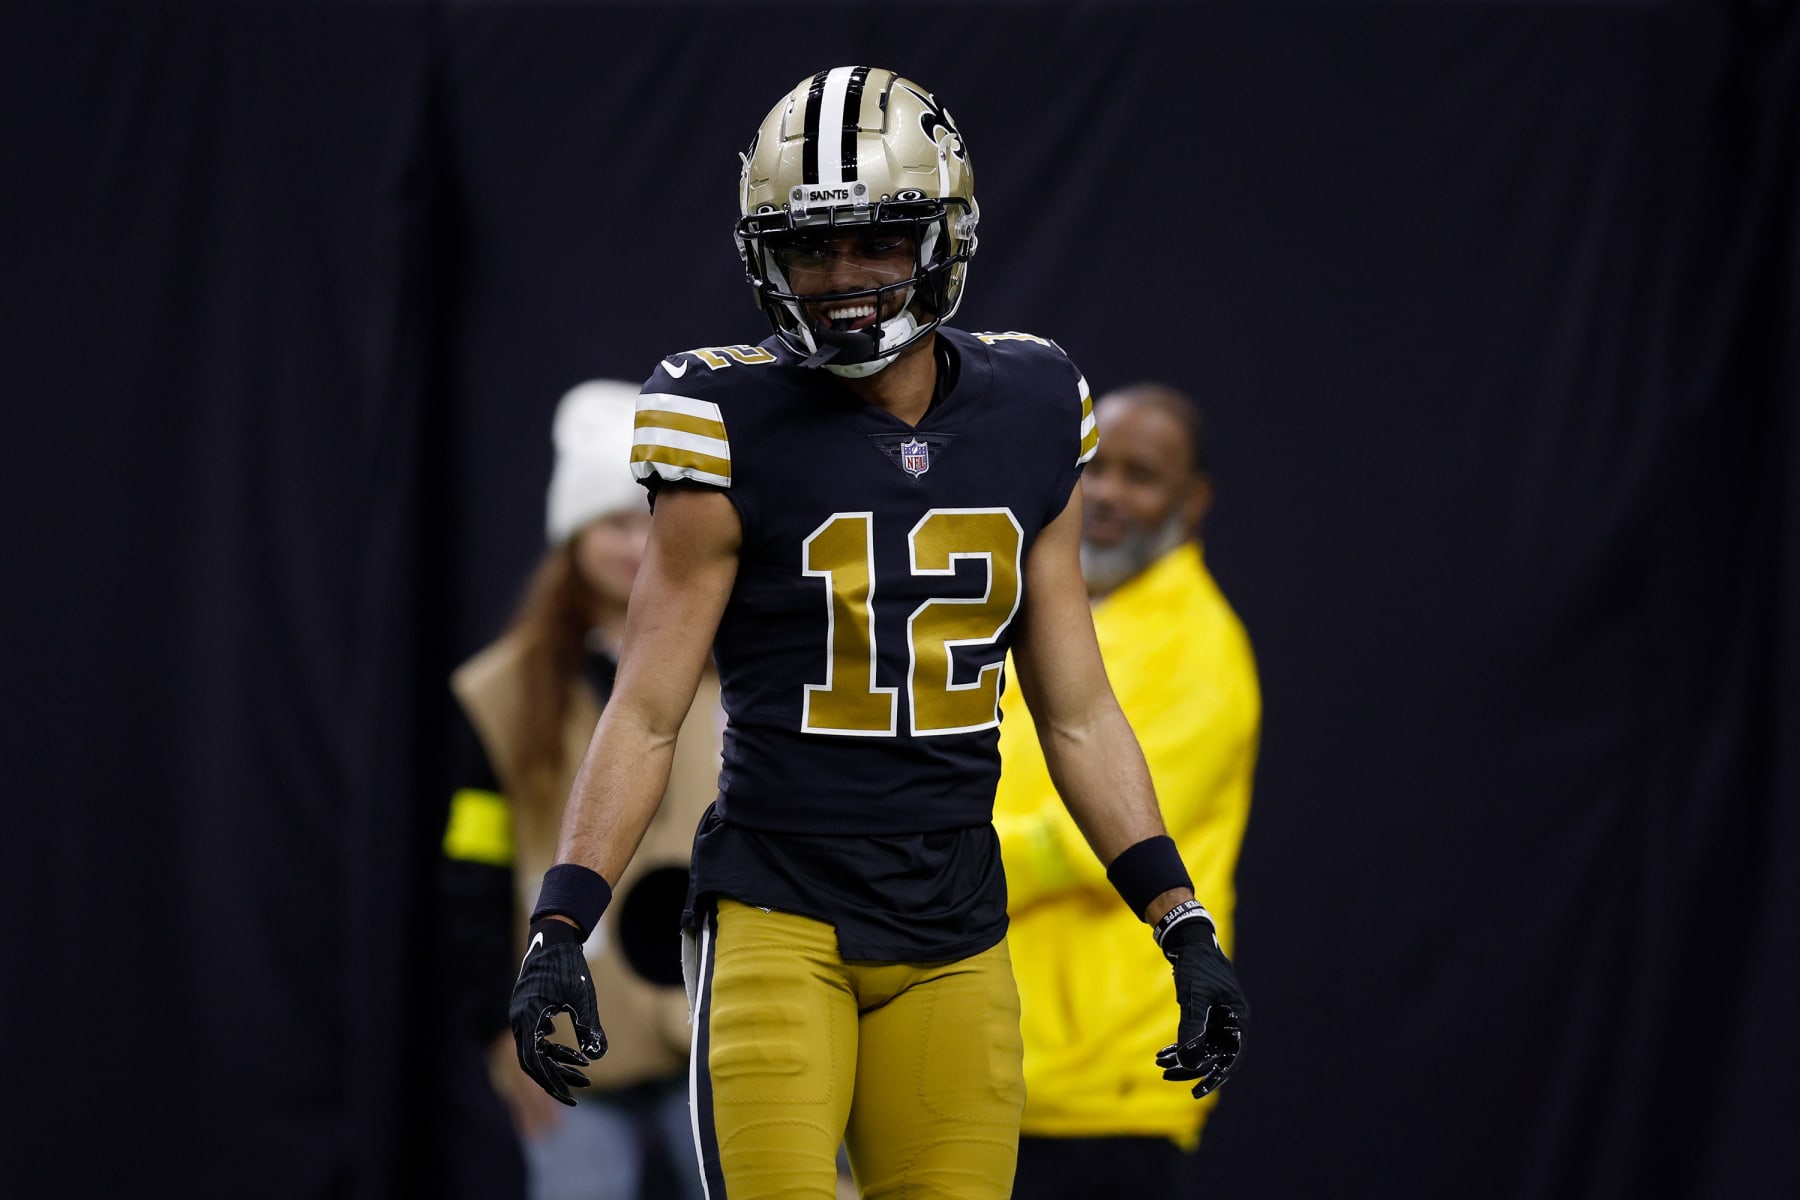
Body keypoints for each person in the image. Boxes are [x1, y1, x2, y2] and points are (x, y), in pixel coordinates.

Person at [506, 67, 1250, 1200]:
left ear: (945, 235)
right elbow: (648, 710)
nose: (845, 277)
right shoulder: (721, 418)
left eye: (878, 241)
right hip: (777, 911)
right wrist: (563, 919)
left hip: (954, 928)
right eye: (811, 248)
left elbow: (1079, 710)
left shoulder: (1033, 406)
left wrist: (1177, 915)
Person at [441, 380, 716, 1200]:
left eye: (650, 522)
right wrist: (495, 1026)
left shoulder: (737, 667)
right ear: (573, 537)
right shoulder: (501, 694)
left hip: (719, 1023)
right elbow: (473, 871)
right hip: (567, 1025)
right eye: (613, 523)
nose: (635, 545)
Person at [995, 384, 1261, 1198]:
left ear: (1193, 498)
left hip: (1105, 1090)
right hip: (990, 1063)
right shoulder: (1036, 612)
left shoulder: (1199, 650)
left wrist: (903, 864)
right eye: (1095, 469)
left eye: (1139, 476)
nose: (1108, 494)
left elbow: (1088, 844)